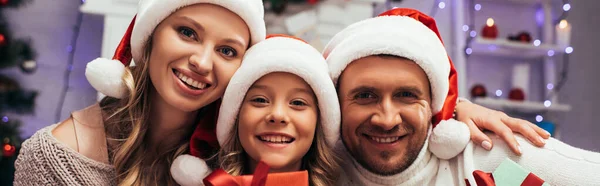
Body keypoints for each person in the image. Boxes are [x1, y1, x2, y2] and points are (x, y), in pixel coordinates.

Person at [323, 8, 600, 185]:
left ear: (435, 103)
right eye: (365, 95)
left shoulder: (490, 156)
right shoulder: (318, 170)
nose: (386, 119)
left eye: (407, 95)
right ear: (335, 104)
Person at [14, 0, 266, 185]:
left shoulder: (235, 165)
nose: (202, 62)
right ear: (150, 36)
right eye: (187, 33)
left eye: (227, 51)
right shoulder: (59, 156)